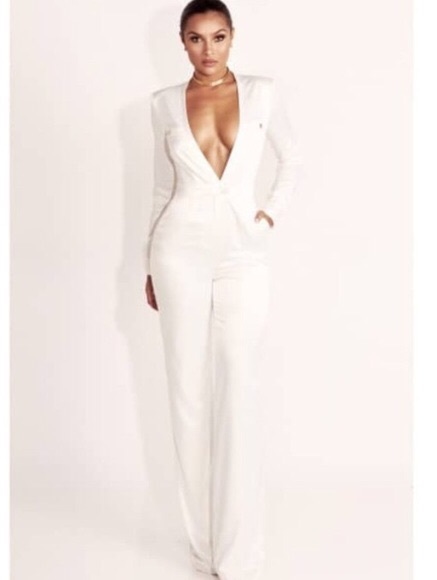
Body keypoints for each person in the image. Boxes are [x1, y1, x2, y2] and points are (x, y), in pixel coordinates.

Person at [143, 1, 303, 578]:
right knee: (187, 394)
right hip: (178, 251)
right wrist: (149, 264)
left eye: (217, 36)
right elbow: (161, 188)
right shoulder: (163, 104)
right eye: (195, 38)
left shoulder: (262, 94)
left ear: (233, 37)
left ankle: (238, 552)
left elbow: (292, 159)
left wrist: (269, 214)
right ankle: (203, 547)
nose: (207, 50)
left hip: (243, 254)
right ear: (181, 42)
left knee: (237, 383)